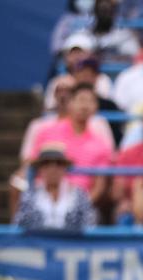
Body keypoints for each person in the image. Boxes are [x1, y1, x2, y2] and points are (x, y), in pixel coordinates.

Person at [27, 83, 113, 212]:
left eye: (90, 101)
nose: (85, 106)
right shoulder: (46, 132)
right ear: (70, 104)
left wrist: (79, 207)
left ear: (96, 107)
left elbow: (99, 187)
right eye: (81, 100)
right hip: (42, 202)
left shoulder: (101, 144)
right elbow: (34, 167)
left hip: (80, 207)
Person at [14, 144, 98, 231]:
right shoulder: (29, 196)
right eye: (46, 164)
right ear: (40, 169)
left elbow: (90, 226)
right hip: (36, 244)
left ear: (64, 168)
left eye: (58, 164)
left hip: (72, 244)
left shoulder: (79, 195)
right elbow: (19, 226)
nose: (52, 169)